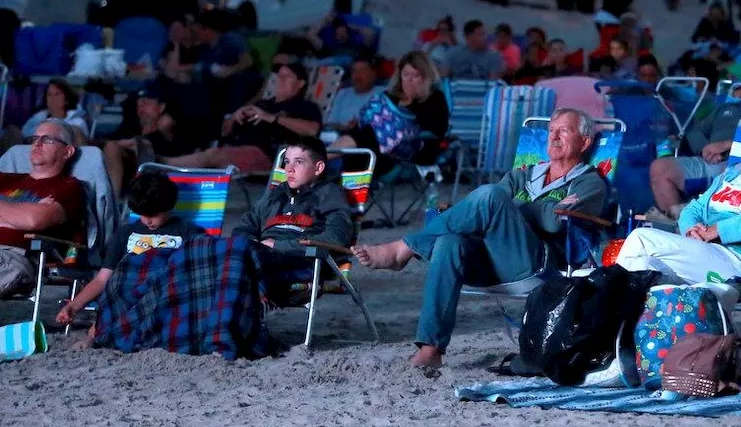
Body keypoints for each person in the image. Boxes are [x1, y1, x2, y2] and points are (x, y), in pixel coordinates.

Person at [353, 108, 609, 369]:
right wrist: (531, 210)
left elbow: (554, 223)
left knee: (490, 197)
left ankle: (403, 249)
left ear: (585, 142)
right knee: (449, 243)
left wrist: (512, 208)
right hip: (492, 259)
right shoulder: (523, 174)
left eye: (563, 131)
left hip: (538, 265)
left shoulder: (589, 183)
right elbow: (502, 211)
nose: (553, 136)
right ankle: (431, 349)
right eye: (551, 130)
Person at [617, 107, 741, 286]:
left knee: (640, 238)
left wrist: (719, 230)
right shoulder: (733, 173)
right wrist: (691, 229)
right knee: (642, 264)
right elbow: (694, 208)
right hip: (704, 251)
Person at [55, 170, 205, 328]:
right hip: (129, 294)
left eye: (153, 215)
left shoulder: (188, 232)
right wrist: (74, 306)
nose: (147, 220)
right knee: (117, 284)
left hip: (166, 295)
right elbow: (102, 279)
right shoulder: (125, 233)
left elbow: (198, 274)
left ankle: (103, 332)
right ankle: (99, 331)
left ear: (168, 207)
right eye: (141, 214)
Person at [648, 61, 741, 217]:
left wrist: (726, 146)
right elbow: (695, 131)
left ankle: (686, 223)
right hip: (708, 160)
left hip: (740, 167)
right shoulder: (727, 108)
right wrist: (707, 148)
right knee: (659, 167)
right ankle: (679, 223)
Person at [235, 136, 353, 302]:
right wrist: (252, 242)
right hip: (261, 256)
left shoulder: (330, 195)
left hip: (300, 264)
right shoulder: (276, 194)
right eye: (287, 161)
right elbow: (245, 226)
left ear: (318, 168)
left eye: (298, 162)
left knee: (236, 266)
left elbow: (336, 239)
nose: (288, 169)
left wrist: (278, 246)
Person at [162, 62, 322, 174]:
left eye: (286, 77)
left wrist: (272, 118)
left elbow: (312, 130)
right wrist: (234, 118)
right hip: (236, 148)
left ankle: (162, 164)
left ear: (300, 83)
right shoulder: (263, 104)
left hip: (266, 155)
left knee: (214, 156)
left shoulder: (304, 106)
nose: (279, 81)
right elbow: (225, 131)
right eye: (278, 76)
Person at [0, 120, 84, 297]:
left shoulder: (68, 187)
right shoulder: (6, 179)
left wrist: (20, 217)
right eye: (35, 138)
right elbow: (27, 218)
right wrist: (18, 216)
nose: (37, 144)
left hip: (14, 258)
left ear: (67, 151)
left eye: (47, 139)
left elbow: (34, 220)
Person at [332, 52, 449, 173]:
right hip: (381, 146)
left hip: (418, 147)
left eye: (415, 75)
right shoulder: (393, 95)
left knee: (368, 136)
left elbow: (435, 129)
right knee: (364, 139)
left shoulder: (434, 98)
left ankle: (324, 158)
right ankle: (327, 159)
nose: (409, 79)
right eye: (406, 74)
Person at [102, 85, 189, 196]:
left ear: (161, 107)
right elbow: (109, 139)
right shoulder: (129, 128)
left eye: (146, 103)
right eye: (139, 105)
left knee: (111, 148)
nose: (141, 107)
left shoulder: (167, 134)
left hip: (150, 180)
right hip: (120, 171)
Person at [19, 78, 90, 142]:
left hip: (65, 154)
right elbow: (24, 133)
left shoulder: (77, 121)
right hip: (35, 152)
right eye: (49, 94)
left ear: (67, 100)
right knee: (12, 130)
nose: (52, 98)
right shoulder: (38, 118)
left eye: (57, 94)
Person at [324, 57, 380, 133]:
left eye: (362, 70)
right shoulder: (342, 93)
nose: (357, 75)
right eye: (353, 71)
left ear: (373, 74)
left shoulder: (383, 93)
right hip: (339, 137)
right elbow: (329, 123)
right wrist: (343, 128)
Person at [305, 14, 374, 62]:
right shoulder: (339, 24)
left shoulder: (351, 37)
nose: (339, 36)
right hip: (315, 38)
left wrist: (356, 28)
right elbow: (310, 34)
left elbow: (371, 34)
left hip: (318, 43)